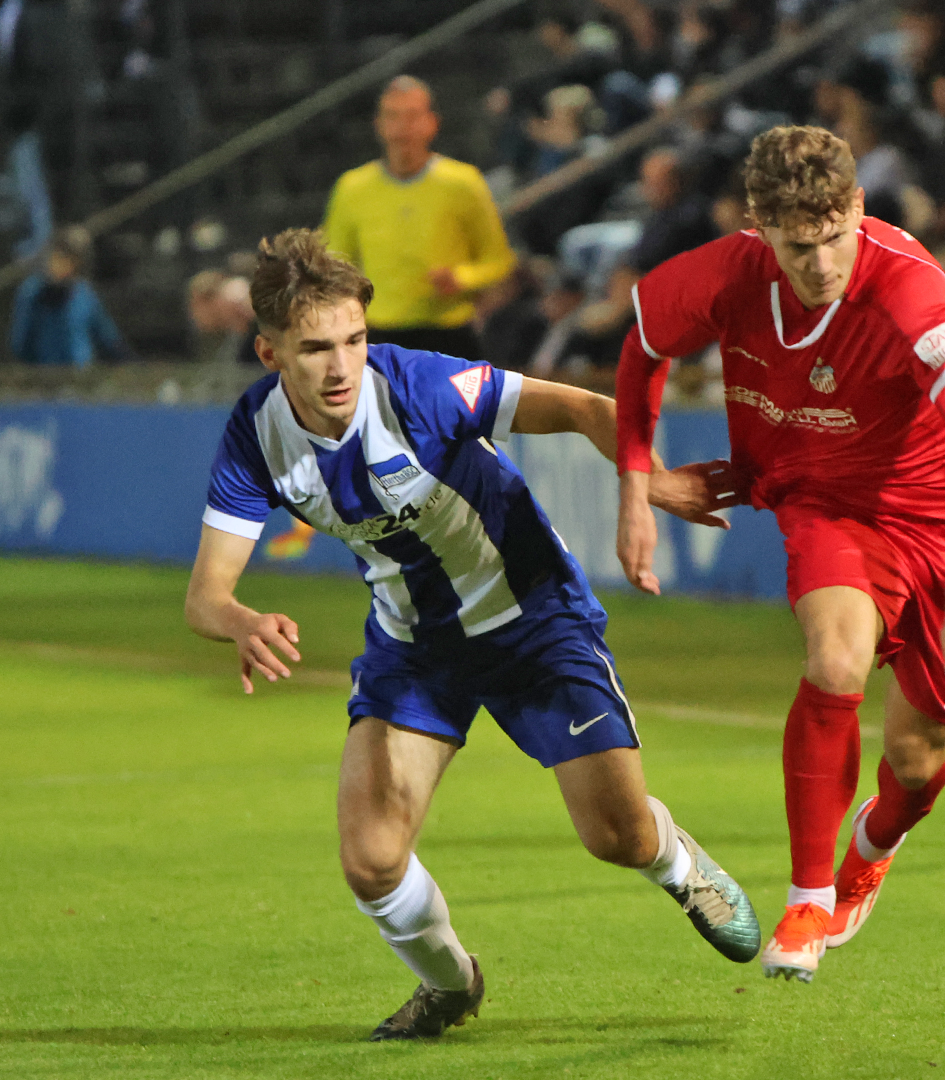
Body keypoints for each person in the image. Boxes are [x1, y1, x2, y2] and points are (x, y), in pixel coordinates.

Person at [185, 229, 760, 1040]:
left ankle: (680, 864)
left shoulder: (419, 387)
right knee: (371, 859)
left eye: (354, 339)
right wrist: (241, 619)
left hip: (532, 619)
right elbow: (205, 595)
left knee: (616, 836)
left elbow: (585, 407)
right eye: (316, 348)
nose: (342, 365)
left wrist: (652, 482)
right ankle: (451, 984)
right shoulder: (257, 436)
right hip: (414, 649)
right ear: (270, 351)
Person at [614, 125, 945, 983]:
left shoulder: (911, 289)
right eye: (800, 245)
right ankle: (805, 901)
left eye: (837, 237)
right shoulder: (724, 274)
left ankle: (873, 842)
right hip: (827, 510)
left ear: (860, 209)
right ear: (759, 225)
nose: (824, 263)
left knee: (918, 761)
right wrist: (635, 486)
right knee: (835, 661)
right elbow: (645, 343)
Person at [321, 76, 516, 360]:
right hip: (380, 336)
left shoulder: (463, 183)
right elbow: (335, 265)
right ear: (379, 124)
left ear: (432, 122)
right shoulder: (352, 188)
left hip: (449, 333)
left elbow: (499, 260)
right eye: (393, 116)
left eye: (412, 116)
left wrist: (461, 278)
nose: (403, 128)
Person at [9, 227, 130, 368]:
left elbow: (109, 338)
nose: (65, 264)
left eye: (72, 259)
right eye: (60, 256)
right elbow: (20, 345)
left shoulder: (84, 293)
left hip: (80, 377)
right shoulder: (32, 292)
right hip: (44, 378)